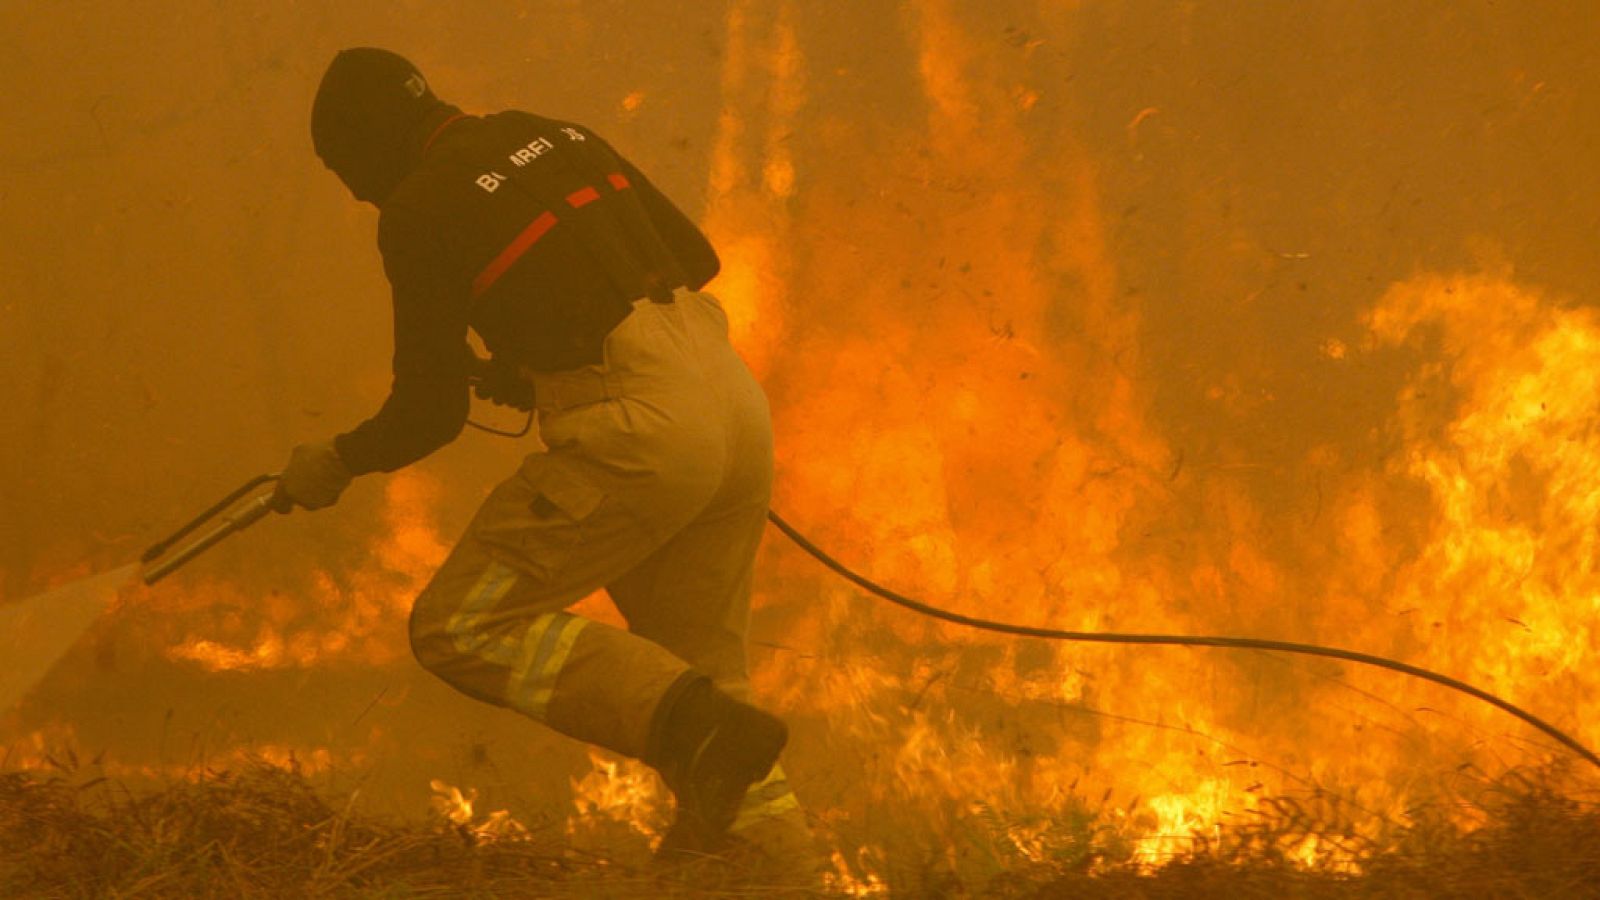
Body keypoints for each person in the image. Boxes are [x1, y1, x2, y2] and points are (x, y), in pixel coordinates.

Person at [273, 47, 810, 859]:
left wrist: (338, 460)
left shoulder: (416, 208)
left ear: (370, 140)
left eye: (344, 165)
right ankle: (771, 864)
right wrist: (540, 359)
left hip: (639, 432)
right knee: (701, 668)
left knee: (460, 625)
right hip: (733, 404)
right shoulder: (551, 133)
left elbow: (428, 411)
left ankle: (691, 730)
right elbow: (696, 259)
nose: (353, 190)